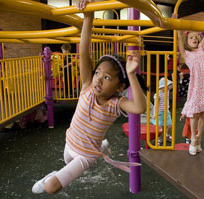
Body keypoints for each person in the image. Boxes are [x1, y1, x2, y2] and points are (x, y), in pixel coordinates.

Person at [32, 0, 146, 195]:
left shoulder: (116, 103)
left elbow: (139, 108)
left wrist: (132, 75)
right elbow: (84, 53)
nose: (99, 79)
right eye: (98, 73)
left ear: (119, 87)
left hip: (85, 156)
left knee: (51, 188)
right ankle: (98, 145)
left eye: (107, 77)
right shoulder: (87, 87)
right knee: (66, 162)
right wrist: (88, 18)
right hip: (69, 144)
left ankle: (50, 179)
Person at [173, 13, 204, 155]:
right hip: (197, 85)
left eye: (196, 37)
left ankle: (199, 138)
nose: (195, 39)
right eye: (191, 37)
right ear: (187, 41)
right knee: (194, 113)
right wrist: (176, 22)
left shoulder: (202, 48)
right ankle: (192, 140)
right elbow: (179, 37)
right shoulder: (186, 54)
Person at [151, 77, 173, 145]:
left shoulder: (166, 91)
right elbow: (155, 105)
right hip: (159, 112)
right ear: (162, 87)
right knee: (160, 127)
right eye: (166, 86)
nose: (168, 87)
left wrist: (173, 78)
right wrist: (155, 114)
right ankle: (158, 139)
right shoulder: (157, 95)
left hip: (166, 111)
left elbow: (172, 85)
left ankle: (167, 135)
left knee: (169, 125)